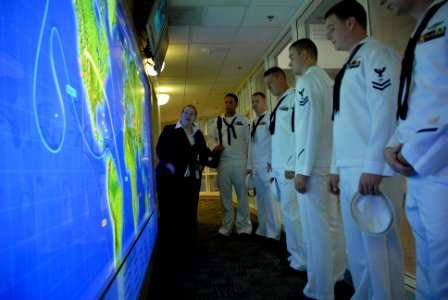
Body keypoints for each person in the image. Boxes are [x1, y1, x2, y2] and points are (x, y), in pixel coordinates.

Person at [324, 1, 406, 299]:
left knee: (378, 251)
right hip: (349, 167)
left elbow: (385, 112)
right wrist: (335, 167)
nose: (329, 35)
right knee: (358, 252)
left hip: (370, 167)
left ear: (351, 23)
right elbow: (342, 121)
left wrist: (374, 165)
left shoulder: (377, 54)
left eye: (332, 28)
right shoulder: (349, 65)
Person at [379, 1, 448, 299]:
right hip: (418, 167)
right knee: (429, 268)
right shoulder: (421, 27)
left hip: (438, 164)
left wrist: (416, 153)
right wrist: (393, 145)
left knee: (443, 273)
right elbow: (417, 100)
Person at [289, 38, 347, 300]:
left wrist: (303, 168)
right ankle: (334, 277)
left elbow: (309, 127)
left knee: (316, 232)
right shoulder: (326, 81)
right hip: (327, 164)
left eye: (292, 58)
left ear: (304, 54)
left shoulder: (307, 82)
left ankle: (320, 289)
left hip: (313, 168)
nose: (291, 64)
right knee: (332, 226)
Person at [264, 66, 306, 272]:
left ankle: (302, 261)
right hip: (279, 168)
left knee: (293, 215)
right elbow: (279, 137)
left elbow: (300, 134)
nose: (269, 88)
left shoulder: (295, 98)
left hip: (290, 168)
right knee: (288, 215)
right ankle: (294, 256)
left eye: (270, 83)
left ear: (281, 78)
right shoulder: (279, 103)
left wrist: (293, 165)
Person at [155, 104, 210, 247]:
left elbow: (203, 153)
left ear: (195, 118)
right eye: (186, 112)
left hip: (190, 177)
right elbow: (160, 149)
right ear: (181, 114)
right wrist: (167, 164)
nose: (188, 115)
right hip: (169, 177)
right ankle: (171, 242)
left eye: (192, 113)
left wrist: (202, 164)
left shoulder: (197, 134)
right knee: (171, 209)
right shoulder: (170, 130)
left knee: (189, 208)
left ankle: (189, 239)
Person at [208, 93, 252, 236]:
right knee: (225, 197)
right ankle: (226, 227)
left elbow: (249, 144)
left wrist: (249, 165)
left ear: (236, 104)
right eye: (226, 102)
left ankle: (244, 227)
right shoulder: (217, 121)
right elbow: (210, 139)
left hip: (240, 162)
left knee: (242, 196)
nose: (228, 104)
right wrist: (215, 146)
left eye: (231, 102)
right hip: (224, 163)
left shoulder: (244, 121)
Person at [247, 92, 282, 241]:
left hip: (267, 166)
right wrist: (249, 165)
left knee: (270, 200)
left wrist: (273, 162)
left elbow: (276, 140)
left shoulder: (270, 119)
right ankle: (263, 228)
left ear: (265, 103)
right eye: (253, 101)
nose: (254, 104)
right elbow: (251, 146)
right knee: (260, 199)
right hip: (256, 166)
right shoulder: (254, 122)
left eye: (257, 101)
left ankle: (274, 232)